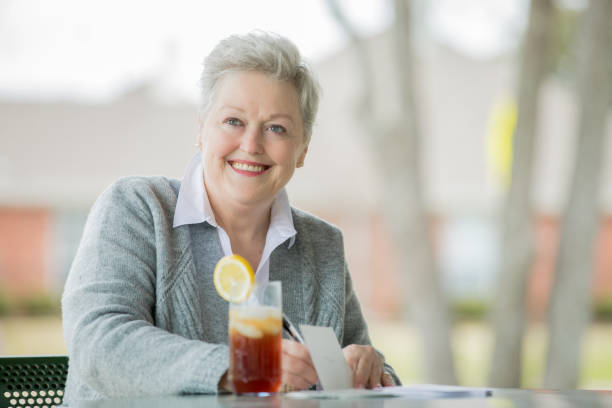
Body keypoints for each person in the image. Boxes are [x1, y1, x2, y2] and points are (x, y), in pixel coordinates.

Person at [61, 30, 400, 403]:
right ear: (201, 130)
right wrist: (243, 369)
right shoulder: (137, 208)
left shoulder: (322, 246)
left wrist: (372, 369)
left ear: (302, 149)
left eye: (277, 128)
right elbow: (98, 343)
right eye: (233, 122)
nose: (251, 145)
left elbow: (361, 373)